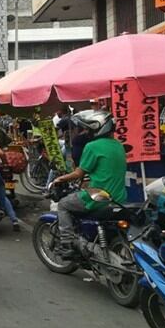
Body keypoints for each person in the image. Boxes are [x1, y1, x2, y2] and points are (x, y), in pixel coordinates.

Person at [50, 110, 127, 259]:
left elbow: (78, 173)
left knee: (64, 205)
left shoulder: (92, 146)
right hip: (119, 197)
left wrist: (60, 179)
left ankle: (67, 244)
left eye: (88, 129)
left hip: (98, 197)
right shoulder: (118, 145)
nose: (85, 132)